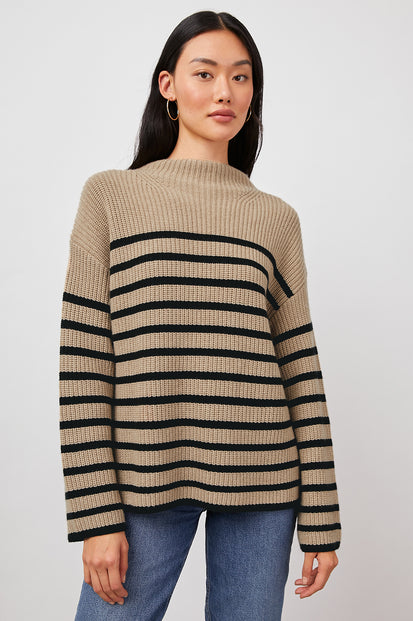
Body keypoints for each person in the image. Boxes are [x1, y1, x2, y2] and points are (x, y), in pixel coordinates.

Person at [59, 10, 341, 621]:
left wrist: (322, 517)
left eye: (241, 77)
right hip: (144, 474)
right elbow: (83, 362)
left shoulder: (275, 218)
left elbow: (299, 368)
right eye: (205, 73)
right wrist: (96, 513)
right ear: (168, 85)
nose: (224, 92)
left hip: (265, 481)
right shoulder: (110, 196)